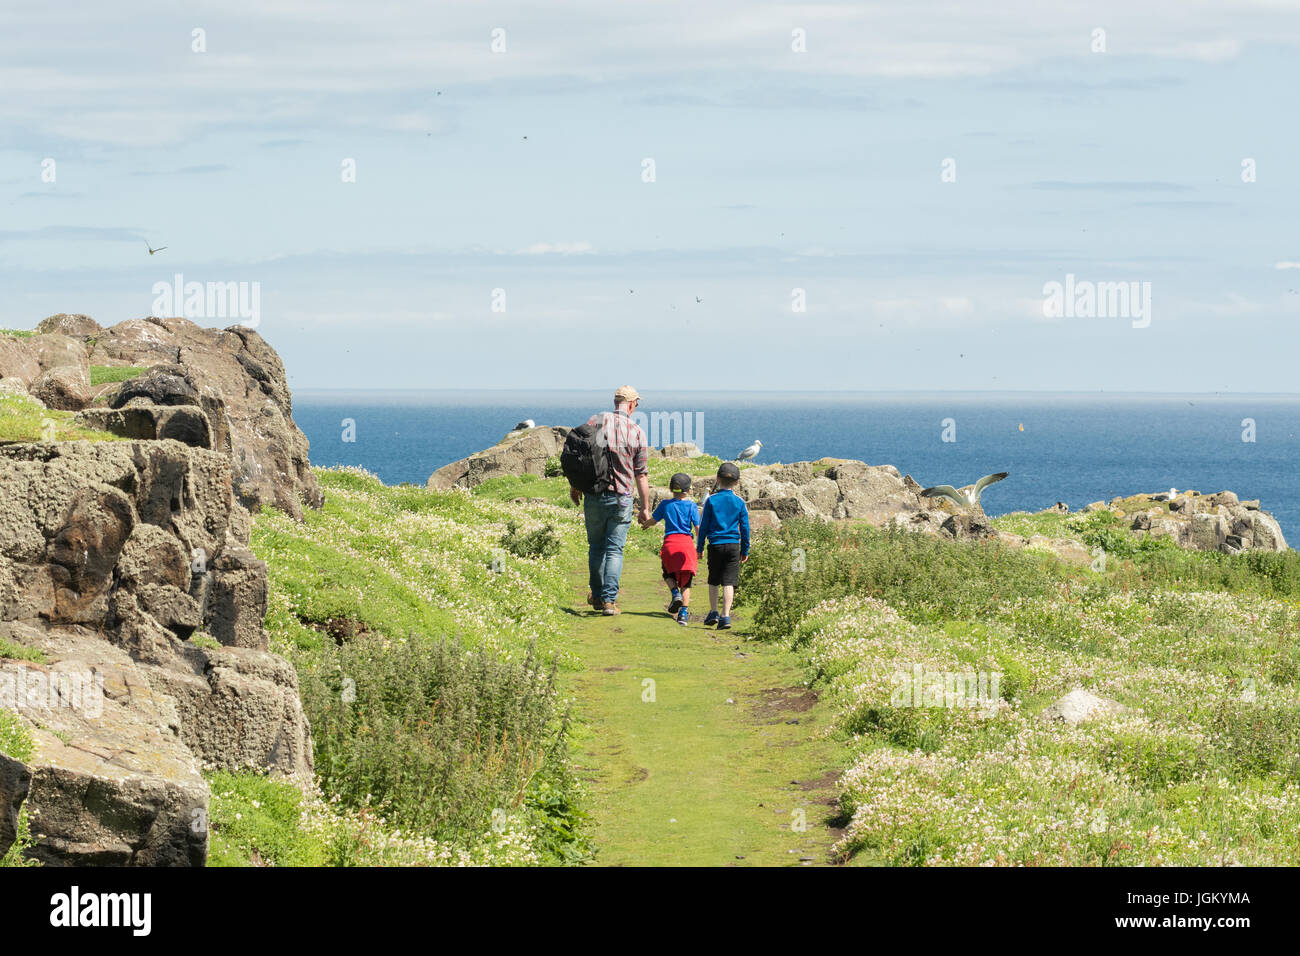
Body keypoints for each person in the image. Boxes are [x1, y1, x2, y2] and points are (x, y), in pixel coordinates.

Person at [569, 385, 651, 616]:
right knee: (614, 550)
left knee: (596, 547)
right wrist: (645, 508)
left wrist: (575, 486)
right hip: (621, 498)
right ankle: (608, 601)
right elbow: (641, 474)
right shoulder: (636, 431)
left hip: (594, 495)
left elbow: (581, 458)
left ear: (615, 402)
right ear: (633, 404)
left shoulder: (595, 421)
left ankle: (596, 595)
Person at [641, 472, 702, 626]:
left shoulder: (665, 505)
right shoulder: (692, 506)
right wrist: (700, 547)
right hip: (686, 546)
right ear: (688, 491)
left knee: (667, 573)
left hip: (670, 544)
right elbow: (697, 528)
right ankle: (683, 614)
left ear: (670, 489)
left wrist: (645, 525)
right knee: (686, 582)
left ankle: (675, 593)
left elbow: (653, 521)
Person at [696, 461, 750, 630]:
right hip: (733, 545)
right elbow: (745, 527)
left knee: (713, 579)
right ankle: (725, 616)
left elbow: (703, 525)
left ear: (717, 479)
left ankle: (713, 612)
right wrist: (745, 549)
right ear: (737, 482)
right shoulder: (740, 502)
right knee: (729, 582)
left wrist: (699, 547)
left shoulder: (711, 501)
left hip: (715, 545)